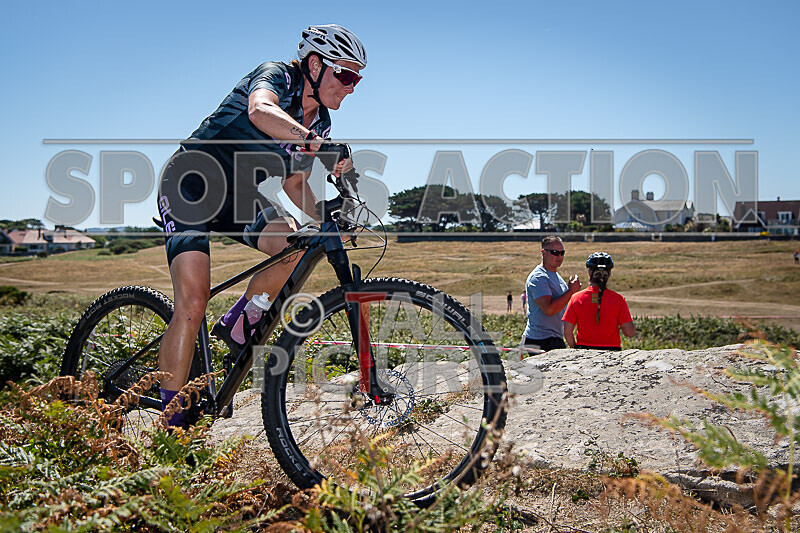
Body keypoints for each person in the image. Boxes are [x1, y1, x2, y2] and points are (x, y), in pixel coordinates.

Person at [155, 24, 367, 427]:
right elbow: (259, 110)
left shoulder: (320, 122)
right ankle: (171, 421)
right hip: (191, 182)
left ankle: (237, 328)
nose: (351, 87)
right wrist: (313, 142)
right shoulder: (277, 76)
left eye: (357, 79)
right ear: (315, 64)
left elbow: (296, 183)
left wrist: (332, 219)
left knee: (296, 248)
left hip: (238, 193)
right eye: (346, 75)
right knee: (193, 299)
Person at [562, 252, 635, 350]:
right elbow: (629, 333)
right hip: (611, 350)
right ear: (609, 274)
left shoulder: (576, 298)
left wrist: (575, 348)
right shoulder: (618, 300)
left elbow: (567, 331)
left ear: (589, 273)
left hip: (584, 349)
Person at [522, 236, 581, 353]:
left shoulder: (555, 276)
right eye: (555, 252)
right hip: (541, 339)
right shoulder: (539, 278)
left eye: (562, 253)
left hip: (553, 337)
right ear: (543, 252)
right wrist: (571, 291)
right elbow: (549, 309)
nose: (559, 256)